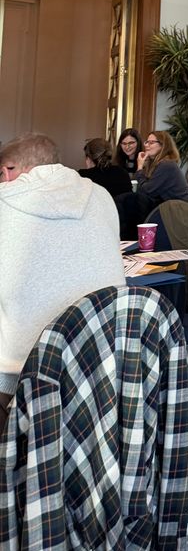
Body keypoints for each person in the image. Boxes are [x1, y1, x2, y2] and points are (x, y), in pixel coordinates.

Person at [0, 133, 126, 435]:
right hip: (102, 357)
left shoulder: (6, 200)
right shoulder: (101, 196)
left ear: (8, 170)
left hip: (22, 369)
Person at [116, 130, 188, 238]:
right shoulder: (155, 163)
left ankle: (133, 241)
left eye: (151, 142)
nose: (147, 145)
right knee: (128, 201)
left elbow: (146, 191)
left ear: (163, 145)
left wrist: (139, 167)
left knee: (129, 202)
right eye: (147, 142)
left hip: (183, 213)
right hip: (168, 208)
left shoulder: (166, 165)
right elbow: (142, 188)